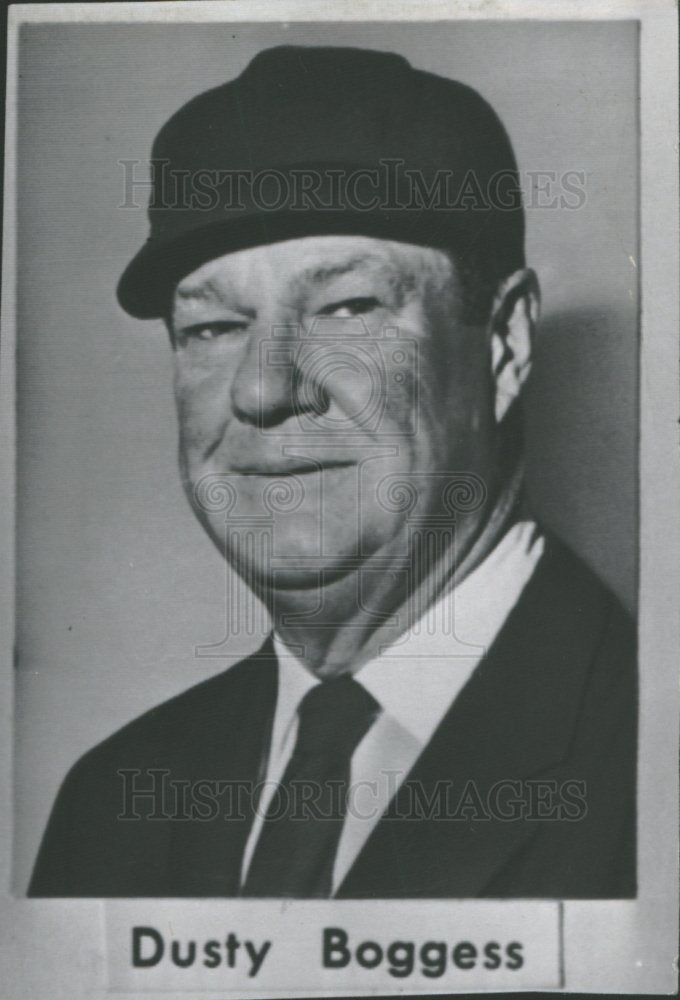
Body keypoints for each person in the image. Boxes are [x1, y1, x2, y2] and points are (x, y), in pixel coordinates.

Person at [28, 45, 636, 899]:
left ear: (503, 344)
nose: (264, 388)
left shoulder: (649, 755)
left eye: (347, 307)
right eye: (212, 327)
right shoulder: (112, 802)